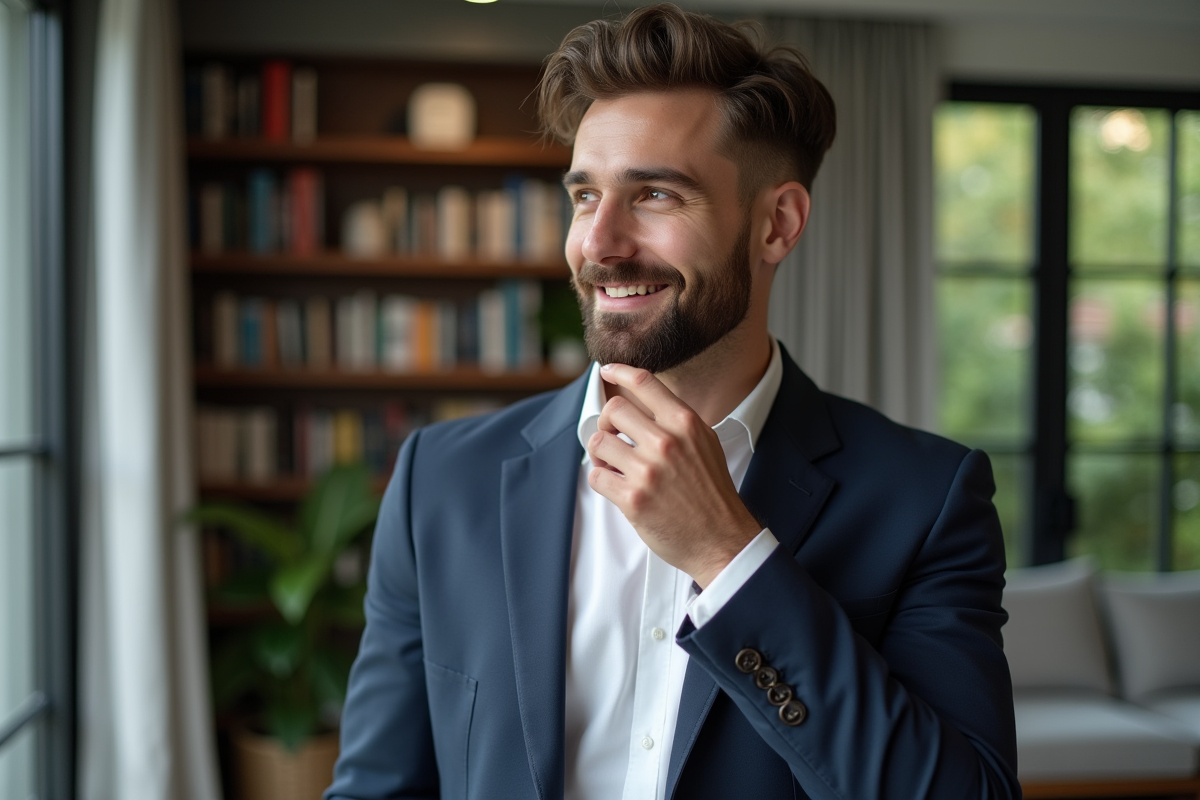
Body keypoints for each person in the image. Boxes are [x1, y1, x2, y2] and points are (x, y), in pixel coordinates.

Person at [325, 4, 1019, 799]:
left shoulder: (926, 499)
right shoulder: (442, 481)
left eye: (654, 195)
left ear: (777, 225)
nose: (600, 243)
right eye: (585, 197)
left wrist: (731, 558)